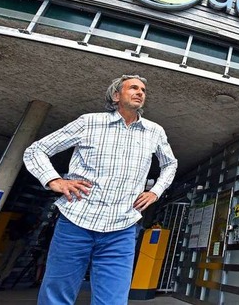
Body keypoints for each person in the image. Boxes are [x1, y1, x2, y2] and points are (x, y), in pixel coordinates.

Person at [23, 75, 178, 305]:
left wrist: (155, 191)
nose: (140, 92)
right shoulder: (89, 122)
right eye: (133, 88)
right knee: (56, 295)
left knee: (113, 300)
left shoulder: (154, 131)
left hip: (122, 228)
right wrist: (55, 180)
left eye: (143, 90)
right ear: (116, 96)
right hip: (76, 221)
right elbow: (36, 150)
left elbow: (170, 163)